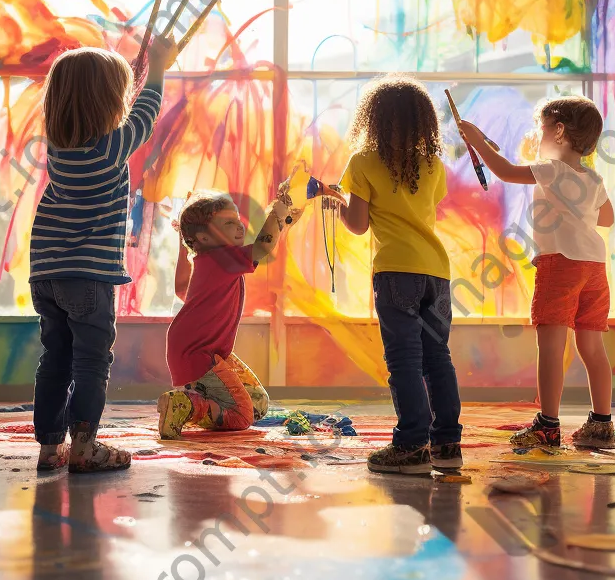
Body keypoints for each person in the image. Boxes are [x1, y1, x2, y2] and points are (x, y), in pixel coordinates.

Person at [31, 34, 177, 473]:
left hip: (47, 276)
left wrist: (131, 77)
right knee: (92, 361)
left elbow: (120, 113)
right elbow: (146, 116)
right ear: (110, 102)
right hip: (90, 278)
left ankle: (49, 447)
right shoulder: (111, 147)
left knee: (55, 358)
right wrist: (161, 67)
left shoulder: (58, 149)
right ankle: (85, 446)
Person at [459, 96, 615, 450]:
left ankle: (547, 425)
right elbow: (606, 218)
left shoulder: (551, 169)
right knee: (592, 346)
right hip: (594, 265)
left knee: (551, 346)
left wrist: (477, 140)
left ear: (559, 131)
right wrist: (574, 218)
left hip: (560, 264)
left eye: (542, 127)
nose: (538, 133)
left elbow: (504, 172)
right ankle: (601, 425)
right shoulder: (592, 178)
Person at [333, 75, 462, 475]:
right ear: (424, 122)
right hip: (436, 271)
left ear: (372, 119)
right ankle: (447, 446)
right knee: (438, 358)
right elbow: (425, 209)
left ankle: (410, 447)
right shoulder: (433, 164)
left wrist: (336, 201)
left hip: (395, 272)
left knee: (404, 361)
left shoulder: (363, 161)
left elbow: (357, 224)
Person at [157, 183, 302, 438]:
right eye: (228, 223)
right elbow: (264, 246)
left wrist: (284, 221)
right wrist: (278, 210)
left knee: (257, 404)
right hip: (197, 354)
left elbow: (183, 291)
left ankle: (192, 402)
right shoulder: (223, 258)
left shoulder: (211, 262)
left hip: (202, 351)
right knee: (243, 415)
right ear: (204, 238)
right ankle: (185, 405)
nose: (239, 226)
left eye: (237, 220)